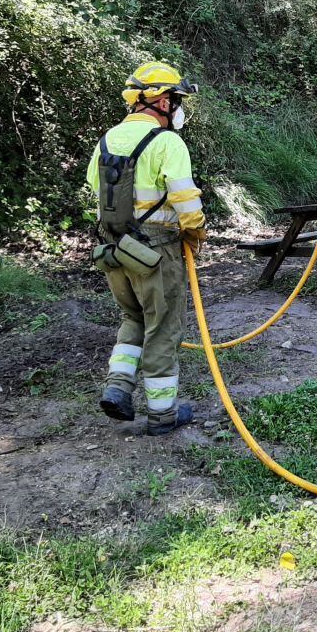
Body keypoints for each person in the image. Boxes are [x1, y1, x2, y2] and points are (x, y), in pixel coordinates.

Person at [86, 61, 207, 435]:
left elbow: (97, 191)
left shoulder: (107, 139)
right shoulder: (167, 142)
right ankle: (162, 413)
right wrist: (195, 233)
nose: (179, 107)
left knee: (132, 319)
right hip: (157, 250)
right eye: (176, 99)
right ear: (161, 101)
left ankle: (118, 388)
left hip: (114, 248)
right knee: (164, 326)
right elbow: (185, 199)